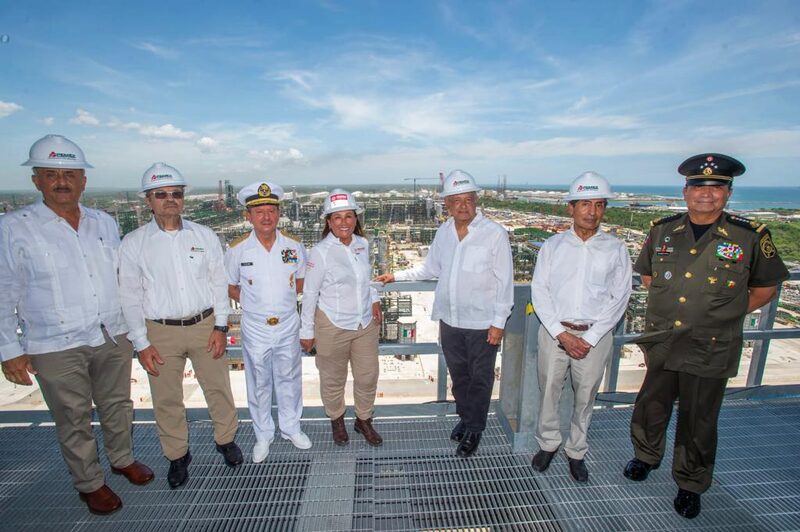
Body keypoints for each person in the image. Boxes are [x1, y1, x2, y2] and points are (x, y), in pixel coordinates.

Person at [624, 153, 789, 519]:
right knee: (651, 405)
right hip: (663, 340)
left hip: (710, 344)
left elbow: (765, 289)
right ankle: (645, 456)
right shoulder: (662, 231)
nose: (706, 194)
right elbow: (649, 277)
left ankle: (690, 482)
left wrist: (721, 314)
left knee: (699, 418)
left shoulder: (749, 236)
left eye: (716, 188)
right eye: (698, 187)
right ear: (686, 192)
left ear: (728, 193)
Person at [0, 135, 153, 515]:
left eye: (70, 174)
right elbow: (3, 291)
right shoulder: (13, 228)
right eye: (51, 174)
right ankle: (90, 483)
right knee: (73, 416)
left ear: (83, 180)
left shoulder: (104, 222)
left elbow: (122, 279)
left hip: (111, 333)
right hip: (55, 342)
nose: (61, 182)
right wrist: (9, 349)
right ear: (36, 180)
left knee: (118, 404)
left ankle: (122, 459)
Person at [118, 162, 241, 489]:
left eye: (176, 193)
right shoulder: (134, 243)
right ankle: (177, 455)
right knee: (166, 398)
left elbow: (218, 283)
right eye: (161, 194)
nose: (170, 199)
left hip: (204, 325)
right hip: (160, 331)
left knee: (218, 388)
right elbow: (129, 295)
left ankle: (226, 440)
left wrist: (220, 326)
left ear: (183, 197)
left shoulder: (204, 235)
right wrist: (141, 343)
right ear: (148, 200)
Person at [375, 170, 513, 458]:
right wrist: (396, 276)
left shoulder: (494, 234)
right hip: (450, 320)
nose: (463, 206)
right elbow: (429, 269)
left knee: (480, 378)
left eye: (468, 200)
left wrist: (498, 323)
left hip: (481, 323)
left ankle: (475, 429)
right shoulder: (444, 232)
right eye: (456, 201)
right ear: (446, 204)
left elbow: (505, 282)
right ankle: (465, 417)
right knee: (459, 376)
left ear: (476, 201)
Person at [529, 171, 632, 482]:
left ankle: (576, 451)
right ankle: (548, 444)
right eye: (585, 204)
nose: (592, 212)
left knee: (586, 397)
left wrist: (590, 337)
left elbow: (620, 296)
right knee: (548, 390)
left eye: (599, 205)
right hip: (554, 332)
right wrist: (561, 334)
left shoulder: (616, 248)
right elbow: (540, 291)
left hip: (594, 336)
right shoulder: (553, 246)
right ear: (571, 208)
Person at [225, 181, 312, 463]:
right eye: (259, 211)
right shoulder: (238, 249)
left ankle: (291, 428)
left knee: (289, 378)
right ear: (248, 216)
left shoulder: (294, 245)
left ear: (279, 213)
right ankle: (263, 435)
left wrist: (281, 300)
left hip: (287, 323)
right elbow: (229, 285)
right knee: (259, 381)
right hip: (255, 325)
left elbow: (302, 280)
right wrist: (251, 302)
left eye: (271, 211)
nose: (266, 217)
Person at [299, 189, 384, 446]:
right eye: (337, 217)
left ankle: (363, 419)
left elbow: (366, 277)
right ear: (329, 221)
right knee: (333, 379)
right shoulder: (320, 252)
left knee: (368, 376)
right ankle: (336, 419)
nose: (344, 222)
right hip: (332, 324)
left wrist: (375, 298)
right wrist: (307, 331)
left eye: (349, 216)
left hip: (364, 323)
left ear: (356, 219)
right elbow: (310, 293)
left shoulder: (362, 244)